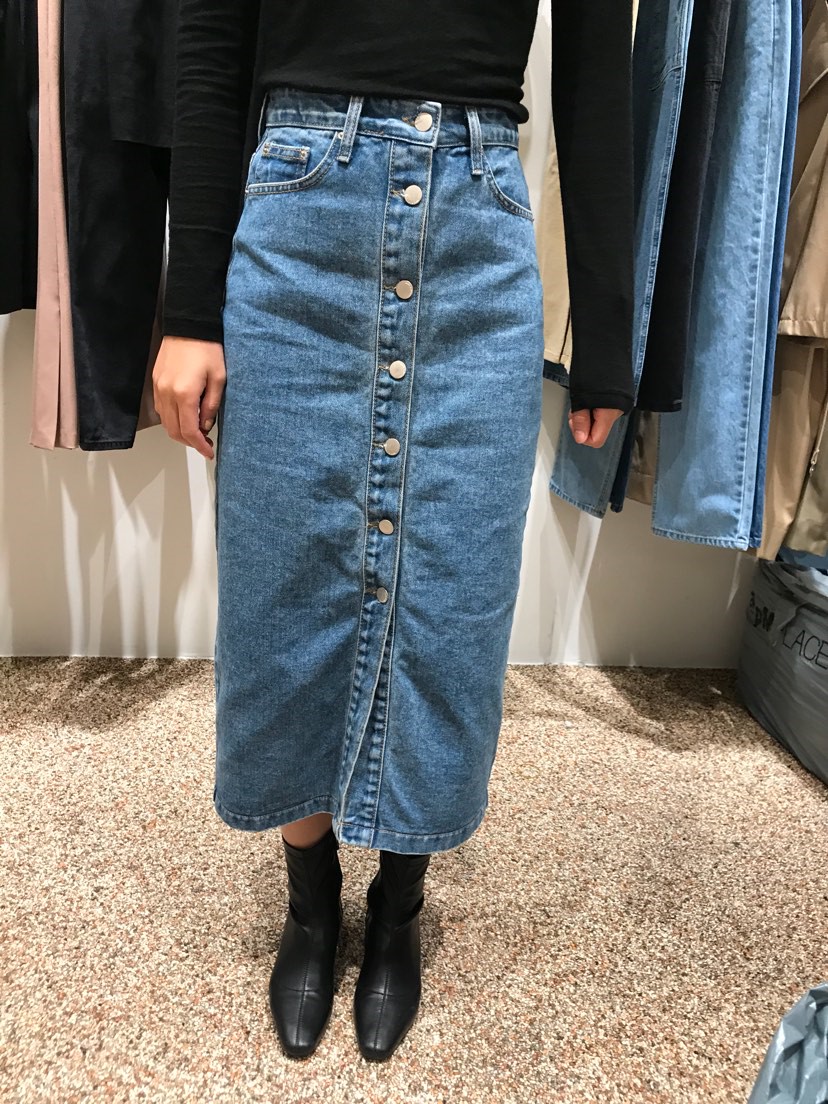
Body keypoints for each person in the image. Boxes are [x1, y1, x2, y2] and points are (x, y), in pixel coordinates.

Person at [153, 0, 635, 1063]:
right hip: (298, 212)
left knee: (451, 596)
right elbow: (213, 38)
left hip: (479, 213)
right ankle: (311, 900)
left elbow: (601, 63)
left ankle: (400, 903)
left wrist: (605, 324)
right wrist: (188, 309)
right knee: (282, 588)